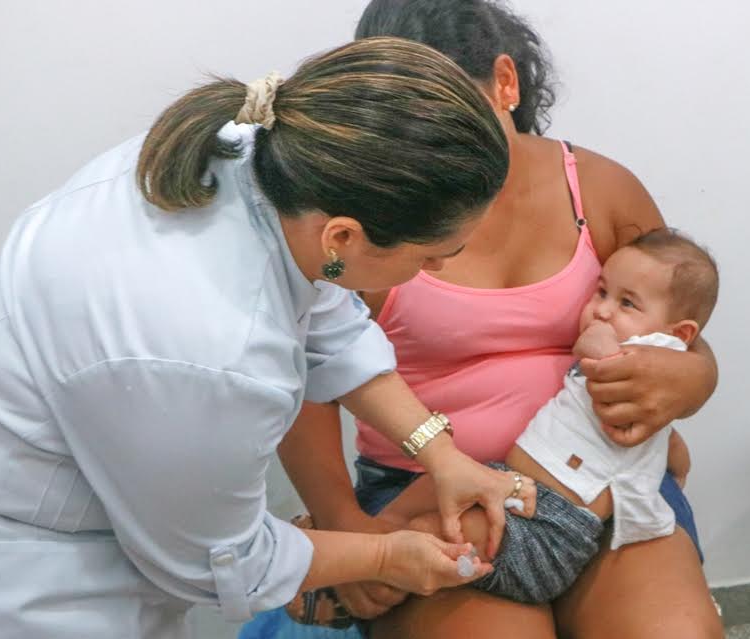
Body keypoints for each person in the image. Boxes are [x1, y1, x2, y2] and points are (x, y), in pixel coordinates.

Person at [0, 37, 530, 638]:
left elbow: (327, 317)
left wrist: (440, 455)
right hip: (18, 585)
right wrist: (386, 556)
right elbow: (225, 562)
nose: (440, 268)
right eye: (431, 256)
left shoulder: (263, 158)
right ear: (343, 237)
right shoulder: (211, 352)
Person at [268, 1, 725, 638]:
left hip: (604, 482)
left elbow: (678, 327)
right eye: (416, 137)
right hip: (426, 489)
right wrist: (346, 525)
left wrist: (696, 379)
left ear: (505, 84)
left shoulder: (602, 191)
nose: (442, 161)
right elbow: (307, 370)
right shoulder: (369, 215)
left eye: (456, 122)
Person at [372, 228, 720, 605]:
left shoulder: (654, 349)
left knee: (436, 533)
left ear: (679, 333)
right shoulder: (634, 360)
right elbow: (664, 437)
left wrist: (601, 341)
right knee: (435, 486)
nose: (602, 310)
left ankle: (374, 579)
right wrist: (675, 458)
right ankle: (375, 533)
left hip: (551, 529)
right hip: (508, 483)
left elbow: (599, 354)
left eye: (627, 304)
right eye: (602, 291)